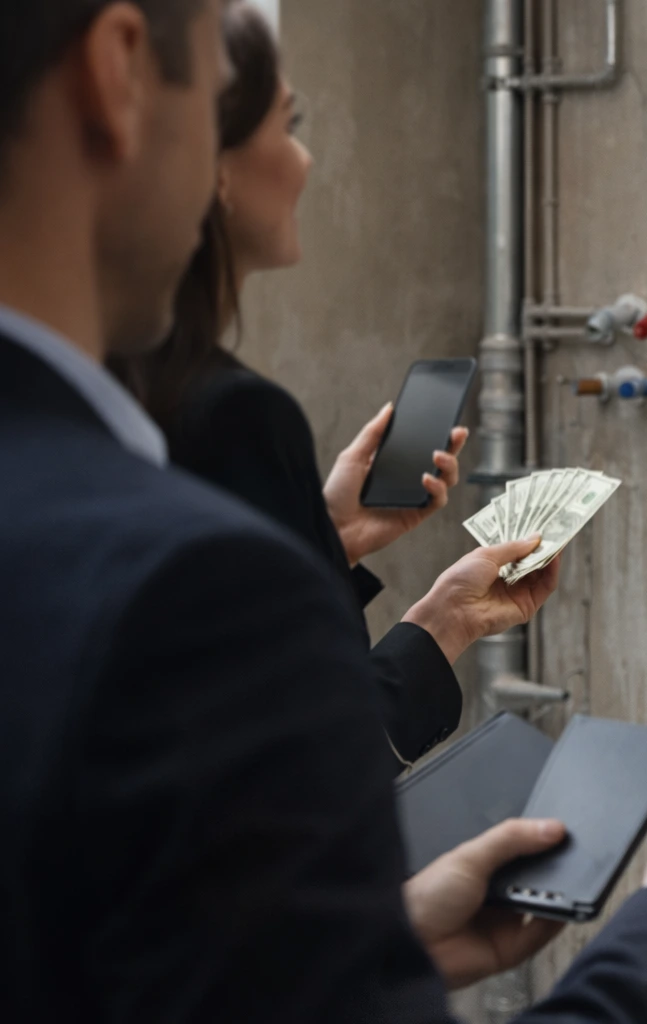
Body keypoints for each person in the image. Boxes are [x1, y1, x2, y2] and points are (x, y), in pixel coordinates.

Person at [0, 2, 647, 1022]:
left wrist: (371, 932)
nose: (298, 158)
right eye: (221, 94)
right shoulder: (183, 581)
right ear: (119, 71)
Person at [110, 3, 469, 764]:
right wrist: (448, 619)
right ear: (215, 167)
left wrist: (324, 534)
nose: (306, 161)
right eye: (287, 125)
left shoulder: (113, 381)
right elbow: (311, 751)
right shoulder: (233, 415)